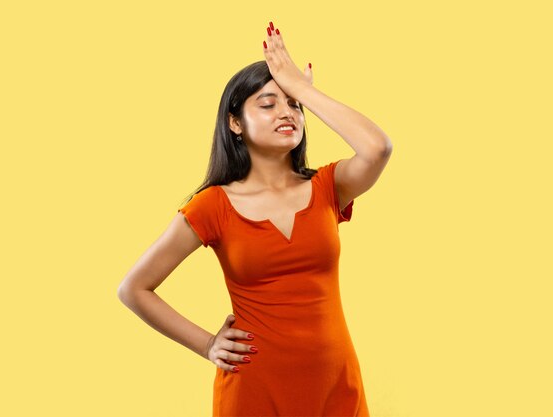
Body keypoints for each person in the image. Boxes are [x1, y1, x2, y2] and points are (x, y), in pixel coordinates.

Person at [118, 21, 392, 417]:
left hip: (336, 384)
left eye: (293, 105)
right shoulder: (213, 205)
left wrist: (303, 88)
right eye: (268, 103)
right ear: (235, 123)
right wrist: (207, 343)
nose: (287, 112)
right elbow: (134, 288)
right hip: (254, 389)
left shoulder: (328, 187)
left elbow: (378, 148)